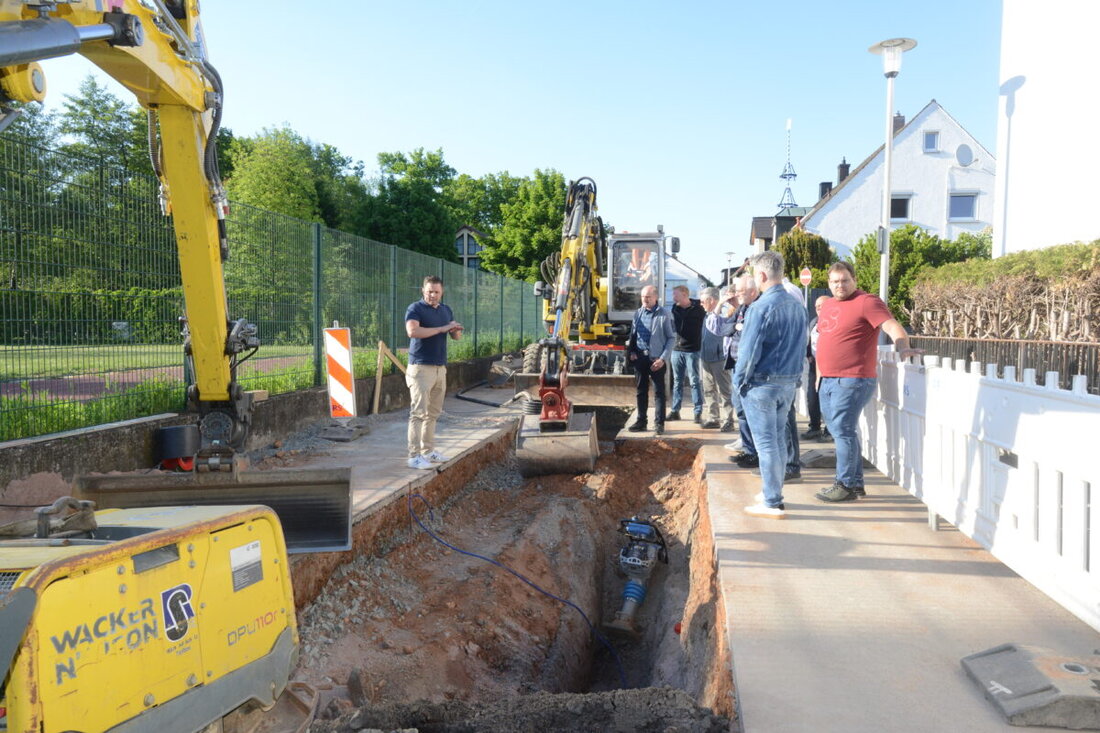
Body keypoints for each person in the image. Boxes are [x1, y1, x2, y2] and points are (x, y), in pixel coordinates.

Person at [814, 262, 922, 502]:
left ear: (854, 279)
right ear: (829, 283)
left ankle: (846, 484)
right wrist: (820, 373)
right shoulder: (829, 305)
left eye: (844, 280)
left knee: (842, 430)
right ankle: (856, 484)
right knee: (839, 430)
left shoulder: (867, 301)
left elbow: (891, 326)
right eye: (834, 282)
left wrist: (903, 347)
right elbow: (824, 340)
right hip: (829, 379)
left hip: (853, 378)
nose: (839, 285)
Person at [734, 251, 807, 519]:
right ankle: (771, 492)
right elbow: (802, 347)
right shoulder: (798, 306)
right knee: (776, 443)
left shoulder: (760, 307)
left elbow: (748, 352)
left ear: (762, 275)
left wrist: (739, 383)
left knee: (766, 445)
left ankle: (772, 501)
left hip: (762, 385)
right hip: (787, 383)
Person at [404, 275, 463, 470]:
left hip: (440, 368)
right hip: (420, 367)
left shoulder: (446, 310)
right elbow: (413, 332)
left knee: (433, 413)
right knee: (418, 413)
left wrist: (454, 330)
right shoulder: (415, 309)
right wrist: (442, 328)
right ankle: (414, 456)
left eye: (436, 292)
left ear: (442, 292)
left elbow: (456, 337)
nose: (433, 295)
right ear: (423, 291)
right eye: (429, 291)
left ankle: (428, 451)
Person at [626, 284, 674, 435]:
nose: (644, 300)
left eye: (647, 297)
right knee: (641, 391)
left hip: (656, 360)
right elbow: (632, 335)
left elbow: (671, 338)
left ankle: (659, 423)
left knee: (659, 392)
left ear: (656, 297)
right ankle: (641, 421)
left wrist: (663, 359)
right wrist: (632, 351)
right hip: (640, 359)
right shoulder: (638, 313)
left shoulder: (664, 314)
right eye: (642, 297)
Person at [726, 275, 759, 460]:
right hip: (737, 366)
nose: (737, 294)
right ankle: (748, 449)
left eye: (740, 291)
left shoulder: (756, 309)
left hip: (750, 370)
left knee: (750, 412)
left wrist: (737, 327)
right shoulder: (742, 308)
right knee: (740, 409)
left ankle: (754, 452)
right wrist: (737, 325)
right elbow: (726, 328)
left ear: (752, 292)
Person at [698, 287, 735, 431]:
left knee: (724, 390)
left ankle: (729, 420)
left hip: (719, 358)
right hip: (706, 357)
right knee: (708, 389)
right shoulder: (707, 314)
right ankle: (713, 418)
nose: (701, 304)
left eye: (703, 302)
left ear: (711, 300)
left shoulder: (725, 312)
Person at [667, 285, 705, 423]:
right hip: (677, 350)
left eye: (675, 294)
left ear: (684, 294)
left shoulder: (699, 308)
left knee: (694, 381)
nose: (673, 297)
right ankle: (675, 411)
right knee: (677, 381)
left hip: (692, 350)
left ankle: (698, 412)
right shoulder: (674, 308)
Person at [801, 295, 832, 441]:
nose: (819, 308)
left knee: (828, 399)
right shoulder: (814, 322)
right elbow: (808, 340)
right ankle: (814, 427)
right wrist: (808, 354)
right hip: (814, 366)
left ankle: (829, 430)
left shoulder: (834, 322)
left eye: (822, 305)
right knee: (812, 397)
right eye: (817, 306)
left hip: (829, 367)